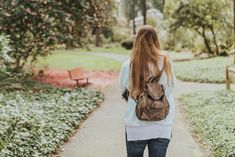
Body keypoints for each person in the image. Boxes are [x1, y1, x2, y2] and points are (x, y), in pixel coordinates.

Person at [119, 25, 175, 157]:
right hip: (162, 124)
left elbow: (122, 90)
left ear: (137, 40)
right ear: (156, 40)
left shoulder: (129, 64)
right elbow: (171, 88)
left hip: (136, 125)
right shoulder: (166, 62)